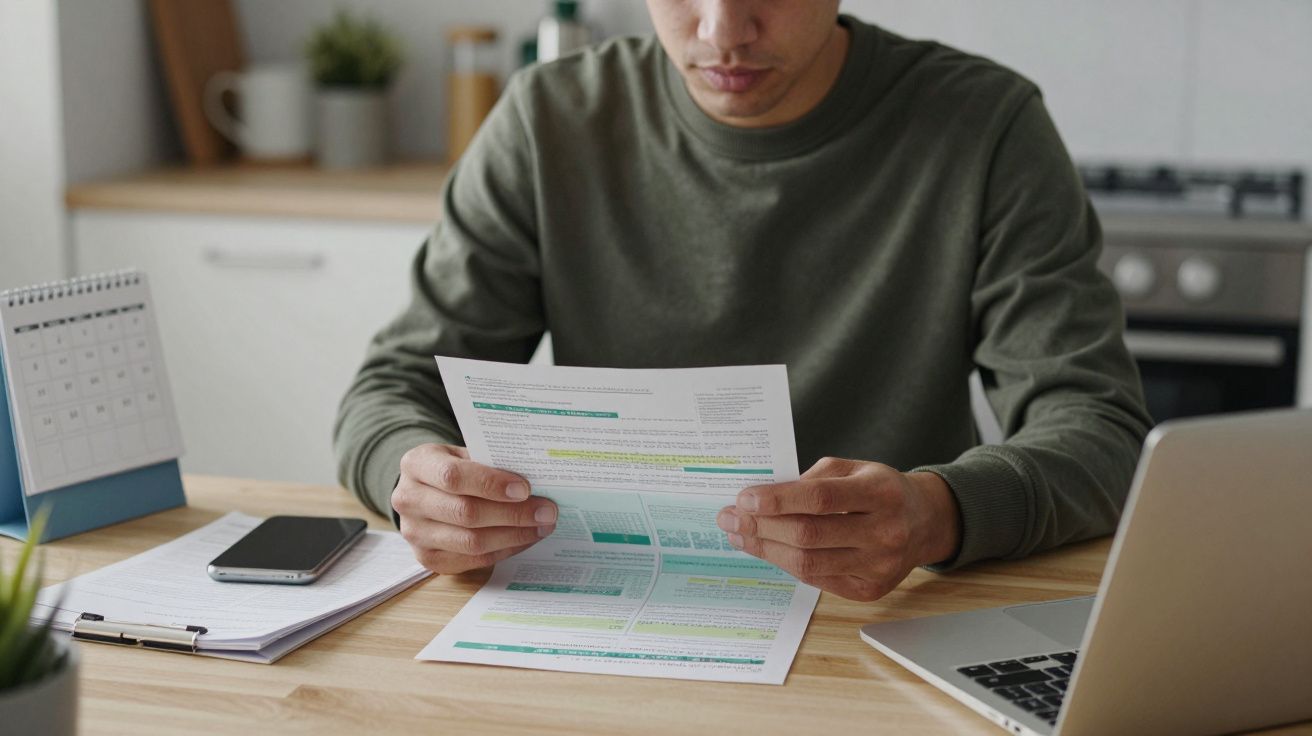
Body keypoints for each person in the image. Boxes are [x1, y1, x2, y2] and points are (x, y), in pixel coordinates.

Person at [334, 0, 1151, 602]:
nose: (723, 29)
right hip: (625, 614)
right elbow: (391, 392)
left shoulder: (986, 127)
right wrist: (416, 478)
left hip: (895, 624)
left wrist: (937, 513)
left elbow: (1102, 430)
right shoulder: (549, 120)